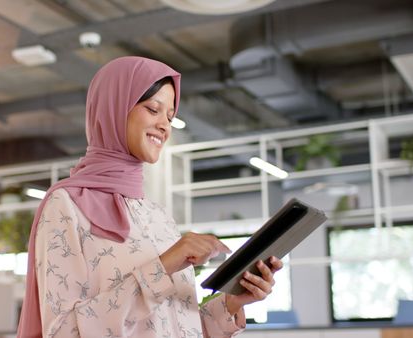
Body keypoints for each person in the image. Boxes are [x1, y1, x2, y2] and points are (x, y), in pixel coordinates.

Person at [17, 56, 283, 338]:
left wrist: (232, 302)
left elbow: (176, 325)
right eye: (153, 109)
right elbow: (62, 332)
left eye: (169, 116)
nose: (164, 126)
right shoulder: (66, 205)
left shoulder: (157, 215)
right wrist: (164, 265)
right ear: (114, 109)